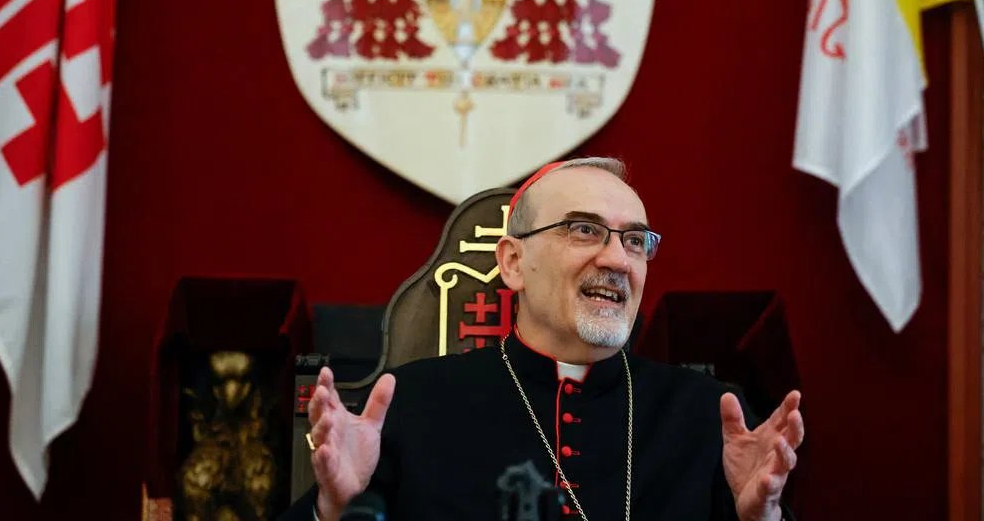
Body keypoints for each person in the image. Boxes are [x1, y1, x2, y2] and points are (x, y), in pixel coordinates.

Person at [279, 157, 804, 520]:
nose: (618, 259)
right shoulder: (407, 404)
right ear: (513, 263)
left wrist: (764, 516)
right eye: (583, 229)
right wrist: (333, 508)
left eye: (635, 240)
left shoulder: (706, 417)